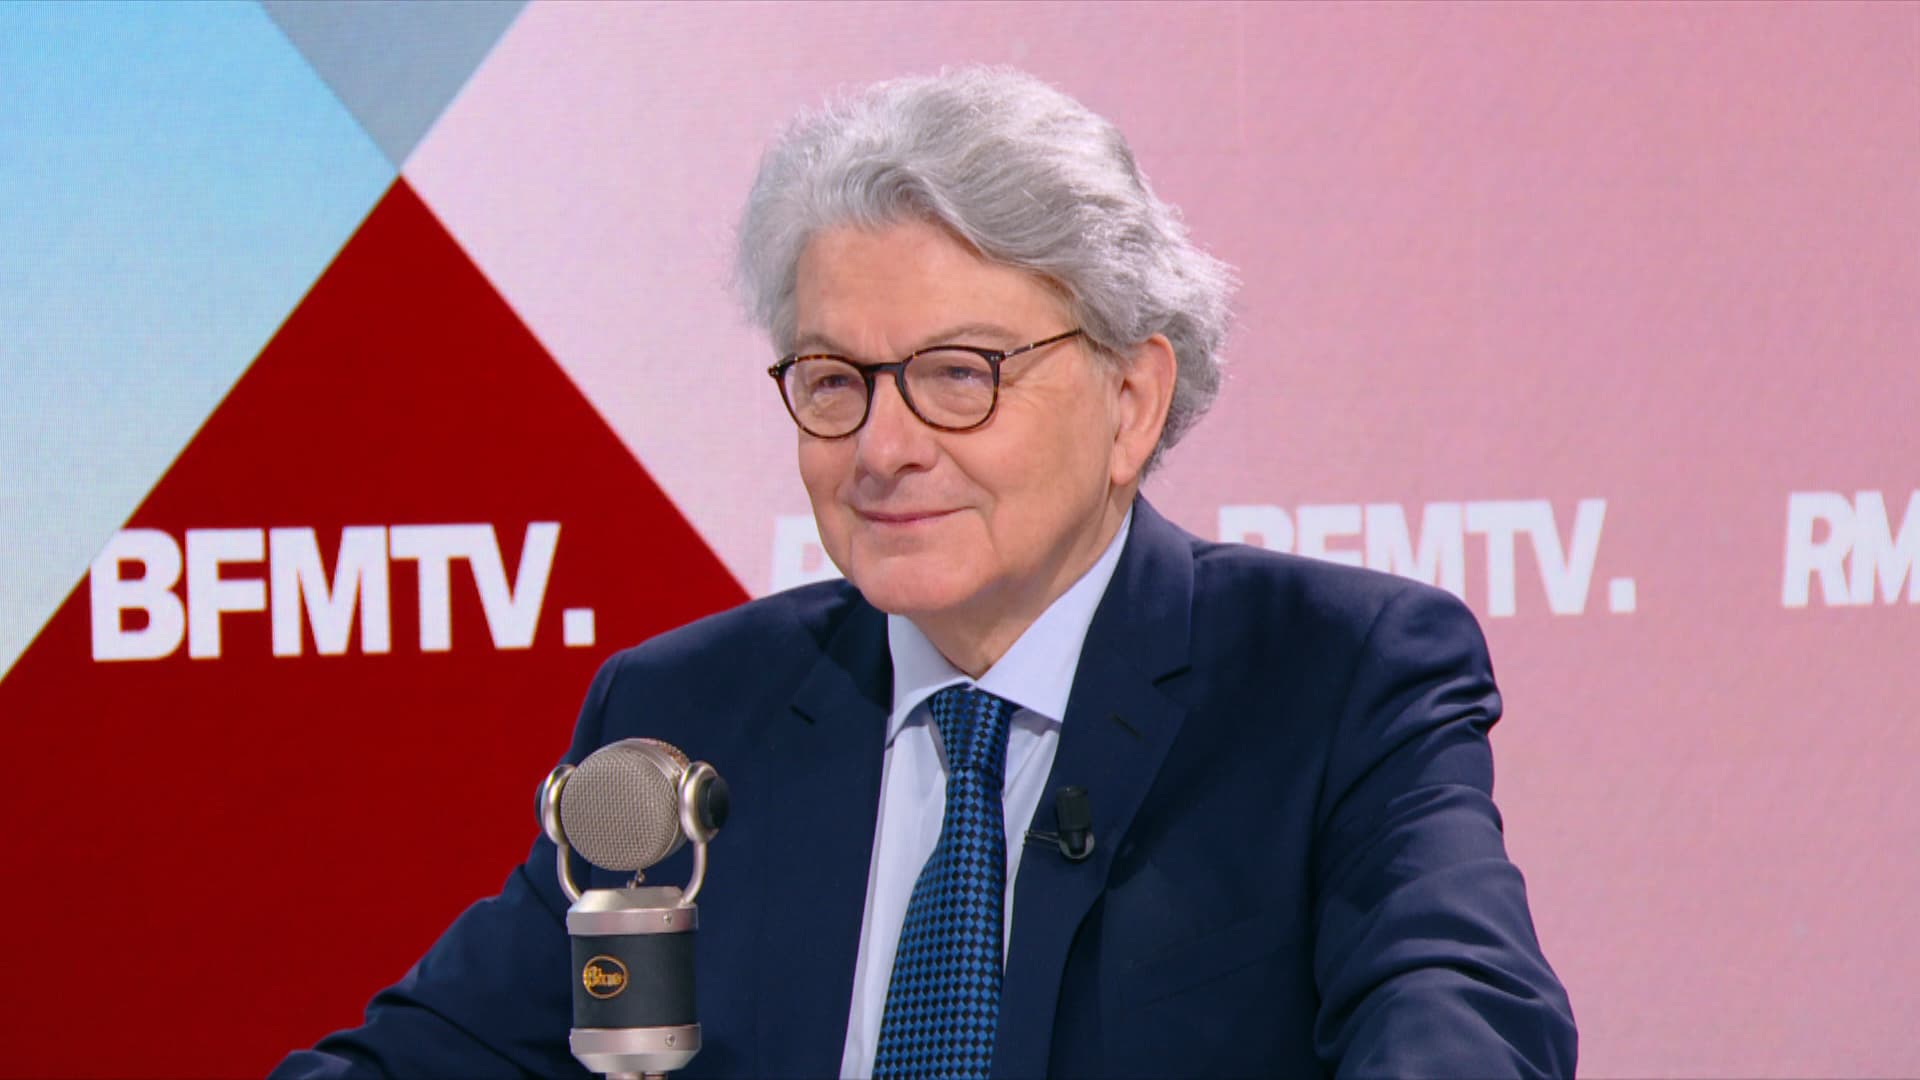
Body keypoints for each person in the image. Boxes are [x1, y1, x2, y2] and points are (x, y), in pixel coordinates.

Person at [276, 67, 1575, 1079]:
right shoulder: (688, 715)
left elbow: (1462, 1019)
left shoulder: (1335, 680)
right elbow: (430, 1056)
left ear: (1131, 400)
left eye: (960, 374)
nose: (883, 448)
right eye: (835, 380)